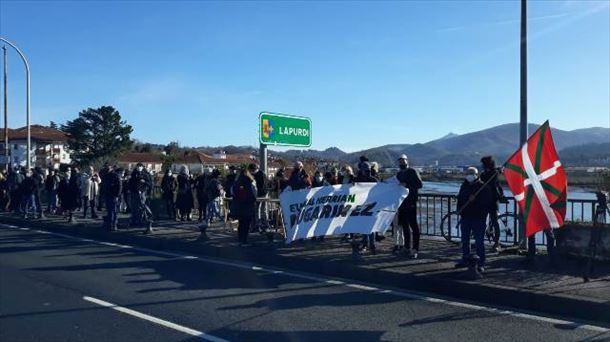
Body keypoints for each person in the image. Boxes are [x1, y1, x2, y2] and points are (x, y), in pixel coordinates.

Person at [455, 167, 492, 273]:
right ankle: (465, 259)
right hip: (465, 217)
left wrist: (475, 201)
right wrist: (459, 210)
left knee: (479, 242)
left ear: (477, 175)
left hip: (478, 218)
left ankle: (481, 263)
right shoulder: (464, 185)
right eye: (468, 173)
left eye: (472, 173)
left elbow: (486, 203)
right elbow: (460, 199)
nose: (469, 175)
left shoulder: (483, 187)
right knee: (465, 240)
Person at [396, 154, 423, 259]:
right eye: (400, 161)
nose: (402, 162)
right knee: (404, 226)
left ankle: (415, 249)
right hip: (401, 203)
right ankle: (406, 247)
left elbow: (419, 184)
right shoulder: (398, 174)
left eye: (403, 160)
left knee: (414, 226)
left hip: (411, 202)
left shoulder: (412, 171)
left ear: (407, 161)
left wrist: (406, 184)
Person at [480, 156, 507, 250]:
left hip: (492, 201)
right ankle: (480, 241)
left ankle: (497, 242)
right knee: (482, 222)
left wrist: (497, 170)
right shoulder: (484, 174)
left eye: (483, 164)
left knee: (495, 222)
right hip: (484, 201)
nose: (482, 166)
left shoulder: (494, 173)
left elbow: (492, 183)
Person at [354, 161, 380, 254]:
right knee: (364, 226)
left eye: (367, 170)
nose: (365, 171)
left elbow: (380, 191)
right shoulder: (358, 180)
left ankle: (372, 245)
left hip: (372, 205)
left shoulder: (374, 180)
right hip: (362, 205)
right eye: (364, 170)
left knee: (371, 226)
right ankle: (366, 244)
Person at [230, 168, 257, 247]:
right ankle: (245, 241)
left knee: (241, 224)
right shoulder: (251, 183)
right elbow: (255, 194)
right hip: (248, 206)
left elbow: (232, 192)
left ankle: (240, 240)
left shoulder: (236, 183)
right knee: (246, 224)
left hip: (238, 207)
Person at [128, 163, 153, 232]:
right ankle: (134, 220)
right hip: (134, 192)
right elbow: (131, 183)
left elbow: (150, 183)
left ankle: (140, 220)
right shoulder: (133, 174)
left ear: (142, 167)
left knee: (141, 207)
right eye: (138, 166)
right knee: (134, 207)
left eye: (140, 166)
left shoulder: (145, 174)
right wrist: (130, 189)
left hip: (142, 192)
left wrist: (144, 182)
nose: (139, 168)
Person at [248, 163, 268, 231]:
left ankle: (259, 224)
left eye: (251, 171)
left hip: (261, 194)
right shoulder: (261, 173)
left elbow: (261, 186)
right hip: (264, 193)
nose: (251, 172)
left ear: (254, 169)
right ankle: (264, 223)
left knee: (259, 209)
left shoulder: (260, 174)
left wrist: (257, 194)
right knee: (263, 209)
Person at [103, 166, 123, 231]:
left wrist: (117, 195)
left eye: (108, 169)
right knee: (109, 211)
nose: (107, 170)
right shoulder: (106, 176)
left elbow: (119, 186)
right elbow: (104, 185)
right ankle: (109, 224)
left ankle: (114, 224)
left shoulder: (115, 175)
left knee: (113, 211)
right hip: (107, 195)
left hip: (113, 195)